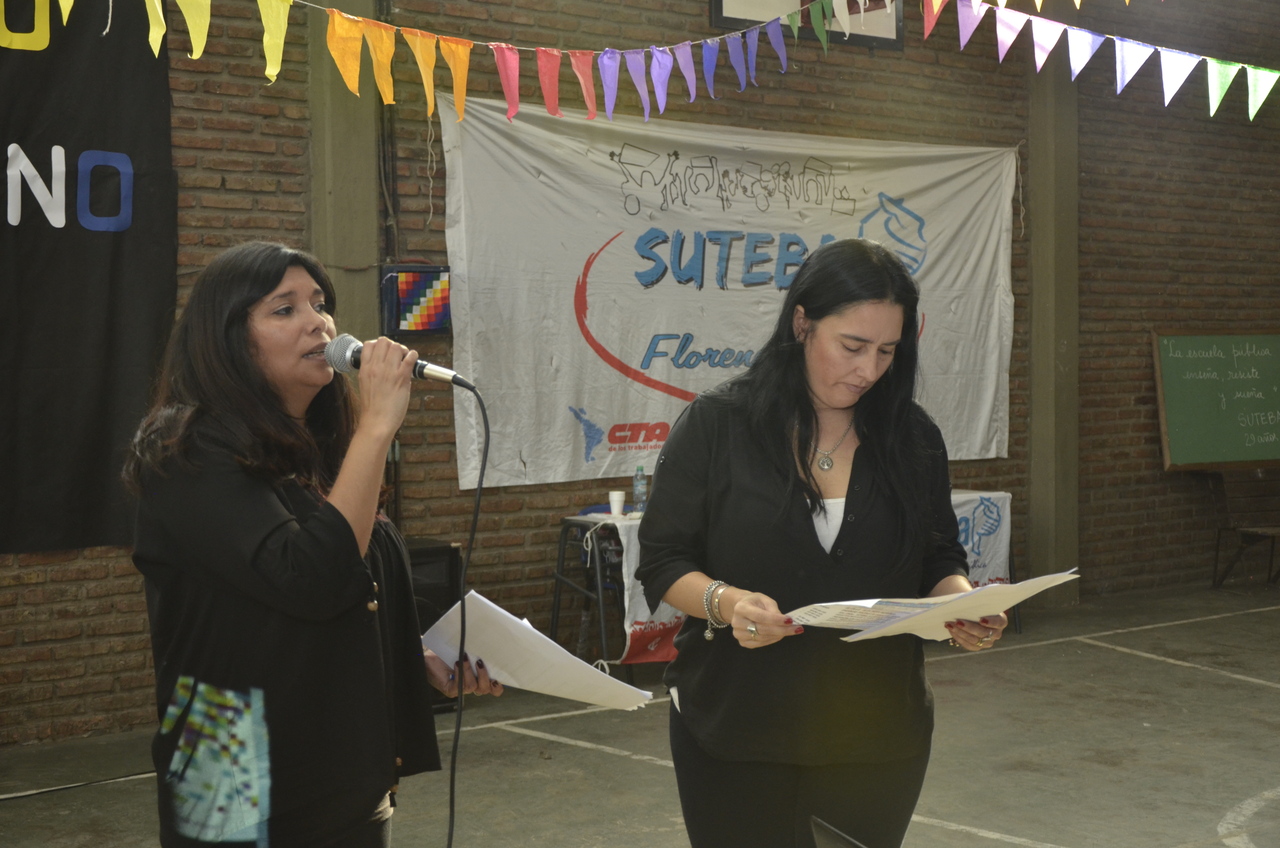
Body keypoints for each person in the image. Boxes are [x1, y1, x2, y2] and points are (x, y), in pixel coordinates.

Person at [124, 241, 502, 848]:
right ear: (227, 338)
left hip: (341, 774)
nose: (318, 323)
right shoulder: (188, 448)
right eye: (284, 309)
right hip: (233, 779)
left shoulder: (317, 447)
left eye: (320, 303)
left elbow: (349, 582)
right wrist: (378, 427)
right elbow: (310, 577)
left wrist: (417, 659)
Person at [636, 238, 1007, 848]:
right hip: (734, 730)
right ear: (802, 323)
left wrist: (961, 604)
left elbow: (939, 554)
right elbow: (663, 560)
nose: (869, 370)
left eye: (887, 351)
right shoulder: (718, 425)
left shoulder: (913, 438)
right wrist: (728, 604)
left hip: (877, 737)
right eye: (852, 346)